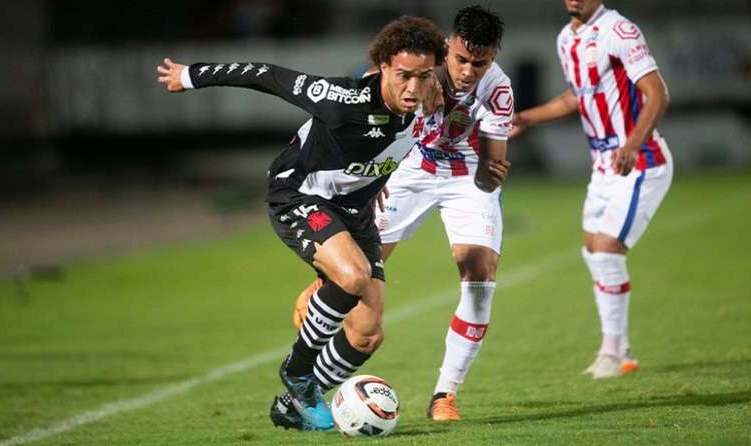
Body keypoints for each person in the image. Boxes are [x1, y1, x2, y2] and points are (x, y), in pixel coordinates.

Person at [158, 16, 504, 431]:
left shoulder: (431, 98)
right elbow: (267, 75)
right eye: (403, 76)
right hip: (299, 195)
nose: (413, 87)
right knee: (354, 275)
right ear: (382, 67)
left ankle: (293, 405)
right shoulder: (341, 99)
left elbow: (403, 142)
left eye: (423, 76)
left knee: (367, 333)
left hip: (355, 212)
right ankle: (299, 373)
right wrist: (192, 75)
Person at [292, 5, 513, 421]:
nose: (467, 71)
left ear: (494, 57)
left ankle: (444, 394)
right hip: (408, 168)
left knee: (480, 275)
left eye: (479, 64)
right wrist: (369, 180)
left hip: (463, 173)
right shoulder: (418, 67)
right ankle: (321, 290)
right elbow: (360, 113)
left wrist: (491, 172)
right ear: (448, 47)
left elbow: (489, 176)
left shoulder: (498, 93)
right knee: (362, 266)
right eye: (461, 60)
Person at [509, 0, 673, 379]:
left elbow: (657, 93)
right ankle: (621, 347)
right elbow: (575, 97)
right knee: (592, 249)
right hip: (602, 163)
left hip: (641, 159)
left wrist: (632, 142)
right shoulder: (567, 37)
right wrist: (526, 119)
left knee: (606, 249)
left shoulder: (619, 31)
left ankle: (612, 353)